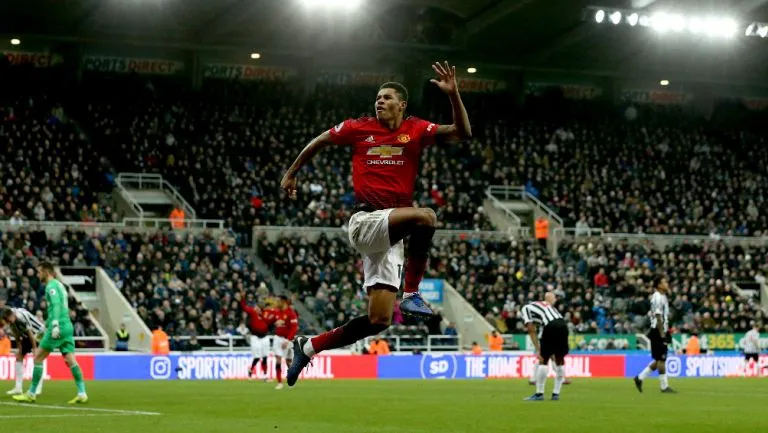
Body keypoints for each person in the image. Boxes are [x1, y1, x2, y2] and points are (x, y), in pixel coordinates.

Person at [280, 61, 471, 387]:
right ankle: (412, 292)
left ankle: (309, 346)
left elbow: (462, 133)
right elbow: (320, 140)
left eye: (386, 98)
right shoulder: (359, 127)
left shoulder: (416, 129)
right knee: (426, 216)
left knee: (379, 319)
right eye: (377, 98)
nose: (379, 101)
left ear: (402, 104)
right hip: (366, 222)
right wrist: (292, 171)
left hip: (390, 235)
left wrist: (454, 96)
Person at [13, 261, 88, 403]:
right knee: (71, 360)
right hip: (67, 326)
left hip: (58, 326)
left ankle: (31, 393)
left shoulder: (51, 286)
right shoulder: (60, 285)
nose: (38, 274)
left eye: (39, 272)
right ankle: (82, 392)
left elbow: (56, 305)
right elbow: (58, 308)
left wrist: (54, 325)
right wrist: (45, 325)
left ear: (46, 272)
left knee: (38, 358)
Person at [521, 292, 569, 401]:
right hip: (563, 325)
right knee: (559, 360)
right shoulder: (547, 305)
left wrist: (538, 350)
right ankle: (556, 394)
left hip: (551, 326)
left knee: (543, 360)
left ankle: (539, 394)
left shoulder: (525, 309)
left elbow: (531, 329)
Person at [633, 275, 676, 394]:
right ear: (658, 285)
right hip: (658, 331)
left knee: (658, 360)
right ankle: (664, 387)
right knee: (661, 360)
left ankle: (639, 378)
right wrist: (662, 334)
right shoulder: (657, 297)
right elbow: (658, 316)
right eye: (664, 282)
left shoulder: (663, 296)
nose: (667, 284)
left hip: (662, 330)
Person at [0, 307, 45, 396]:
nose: (8, 322)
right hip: (28, 335)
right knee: (18, 356)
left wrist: (34, 349)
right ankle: (18, 388)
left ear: (11, 315)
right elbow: (17, 335)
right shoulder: (11, 320)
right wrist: (19, 349)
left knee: (37, 358)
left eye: (8, 319)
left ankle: (37, 388)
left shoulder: (20, 316)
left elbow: (30, 333)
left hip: (39, 332)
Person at [269, 295, 298, 390]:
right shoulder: (277, 311)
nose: (276, 303)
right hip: (278, 338)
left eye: (278, 301)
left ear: (283, 301)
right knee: (278, 359)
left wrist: (288, 340)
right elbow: (271, 320)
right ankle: (279, 382)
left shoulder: (291, 313)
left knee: (289, 361)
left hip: (288, 339)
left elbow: (294, 328)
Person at [240, 291, 270, 380]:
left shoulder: (266, 314)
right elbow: (244, 307)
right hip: (255, 337)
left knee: (265, 356)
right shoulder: (253, 313)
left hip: (265, 337)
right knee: (257, 356)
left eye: (259, 306)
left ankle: (265, 375)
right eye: (257, 306)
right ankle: (251, 369)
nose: (257, 308)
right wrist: (242, 299)